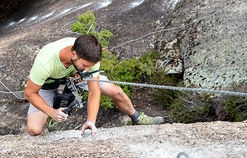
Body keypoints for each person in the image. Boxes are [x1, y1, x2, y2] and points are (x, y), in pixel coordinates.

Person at [25, 34, 164, 136]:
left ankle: (138, 118)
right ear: (74, 54)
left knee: (116, 92)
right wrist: (51, 112)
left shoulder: (90, 58)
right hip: (49, 84)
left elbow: (94, 90)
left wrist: (91, 120)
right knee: (34, 129)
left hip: (77, 76)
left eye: (89, 66)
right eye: (85, 65)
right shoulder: (45, 62)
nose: (88, 69)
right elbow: (30, 93)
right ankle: (55, 102)